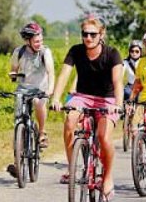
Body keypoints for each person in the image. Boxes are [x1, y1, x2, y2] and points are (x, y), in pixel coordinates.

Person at [51, 15, 123, 200]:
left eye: (92, 34)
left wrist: (118, 105)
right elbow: (64, 75)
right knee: (69, 122)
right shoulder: (76, 51)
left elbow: (118, 82)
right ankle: (72, 166)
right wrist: (56, 98)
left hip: (107, 100)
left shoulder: (112, 53)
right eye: (85, 34)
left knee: (103, 137)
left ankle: (107, 178)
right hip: (82, 97)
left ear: (101, 34)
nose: (88, 38)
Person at [6, 22, 56, 176]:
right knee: (18, 122)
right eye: (36, 41)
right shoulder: (19, 52)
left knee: (38, 103)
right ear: (27, 41)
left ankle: (42, 132)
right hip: (24, 88)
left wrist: (50, 89)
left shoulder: (45, 52)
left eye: (40, 40)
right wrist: (13, 76)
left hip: (40, 89)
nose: (39, 44)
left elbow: (50, 72)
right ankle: (17, 162)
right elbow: (14, 70)